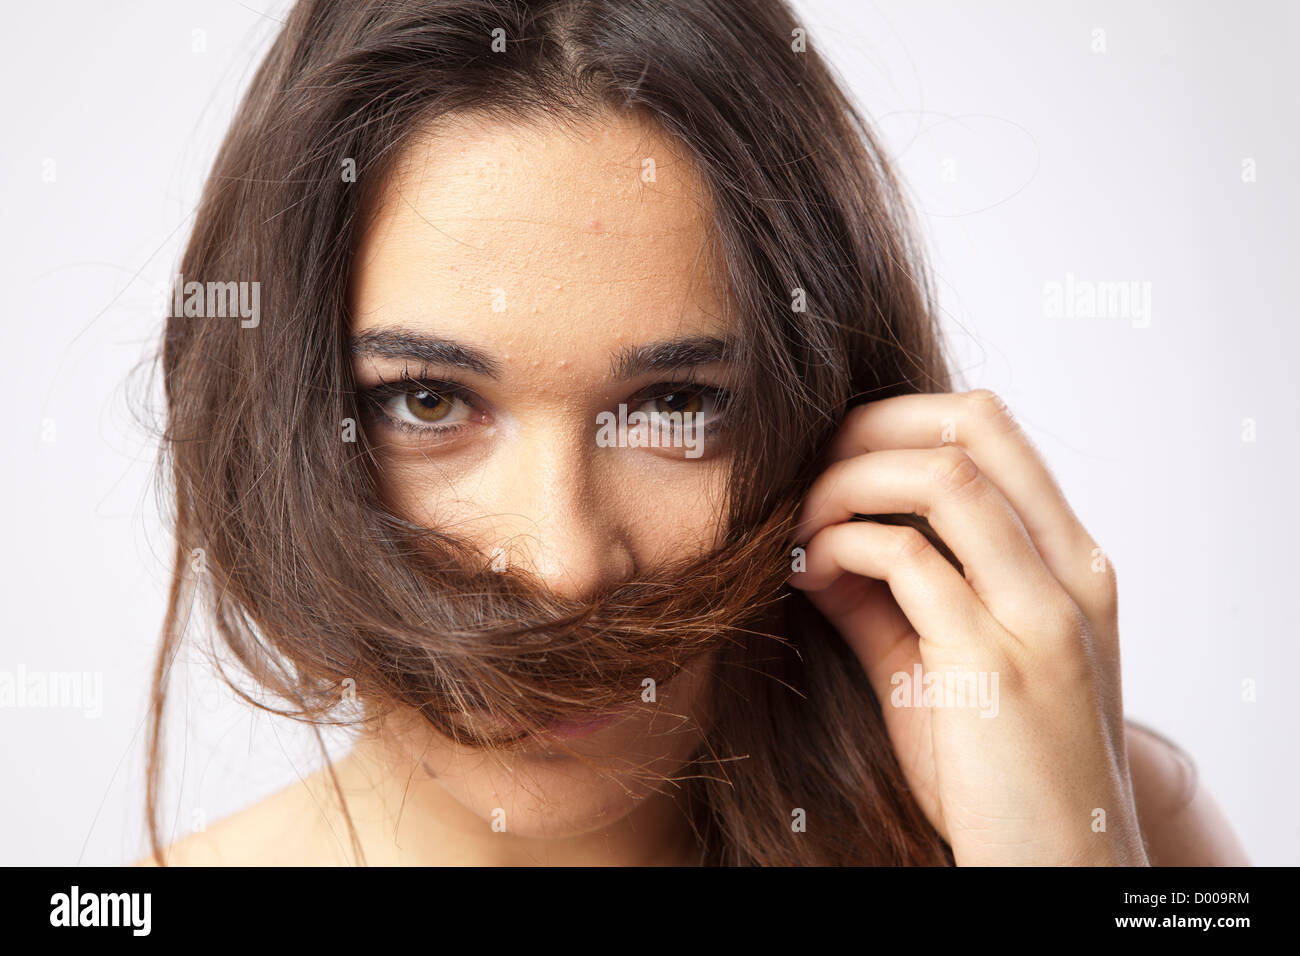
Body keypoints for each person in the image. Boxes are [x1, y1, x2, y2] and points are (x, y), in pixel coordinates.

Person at [136, 0, 1248, 866]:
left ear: (825, 413)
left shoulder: (1102, 817)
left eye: (675, 404)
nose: (565, 565)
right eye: (427, 399)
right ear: (284, 409)